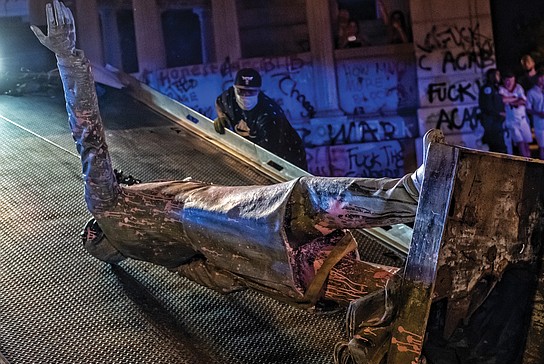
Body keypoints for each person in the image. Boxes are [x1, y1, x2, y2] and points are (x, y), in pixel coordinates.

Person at [32, 0, 436, 322]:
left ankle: (436, 297)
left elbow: (215, 278)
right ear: (100, 232)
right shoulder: (107, 205)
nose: (123, 178)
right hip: (210, 212)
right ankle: (411, 196)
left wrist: (254, 273)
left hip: (255, 263)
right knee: (305, 202)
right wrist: (68, 58)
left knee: (328, 274)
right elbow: (88, 134)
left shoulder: (156, 255)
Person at [213, 68, 308, 170]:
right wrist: (222, 118)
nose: (245, 96)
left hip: (286, 156)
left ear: (258, 91)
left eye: (251, 92)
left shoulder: (270, 115)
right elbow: (219, 102)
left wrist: (252, 136)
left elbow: (267, 156)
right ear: (234, 89)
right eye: (241, 91)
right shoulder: (229, 97)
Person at [499, 72, 532, 157]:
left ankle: (530, 163)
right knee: (520, 143)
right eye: (507, 81)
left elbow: (524, 101)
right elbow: (503, 100)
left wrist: (512, 101)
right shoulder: (501, 89)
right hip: (512, 121)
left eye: (511, 81)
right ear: (503, 81)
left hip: (523, 119)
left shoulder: (518, 88)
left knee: (526, 144)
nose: (509, 83)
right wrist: (515, 98)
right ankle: (525, 162)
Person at [478, 68, 507, 154]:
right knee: (497, 146)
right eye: (497, 75)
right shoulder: (488, 89)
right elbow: (487, 106)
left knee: (498, 146)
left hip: (496, 121)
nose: (499, 77)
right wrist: (499, 113)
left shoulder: (495, 88)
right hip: (492, 122)